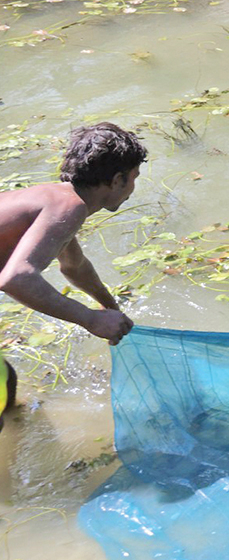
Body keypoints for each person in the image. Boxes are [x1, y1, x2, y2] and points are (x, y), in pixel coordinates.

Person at [0, 122, 143, 421]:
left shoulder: (59, 199)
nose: (132, 188)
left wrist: (109, 307)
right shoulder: (70, 207)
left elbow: (74, 266)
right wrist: (90, 319)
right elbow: (16, 278)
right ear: (117, 180)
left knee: (7, 383)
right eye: (133, 179)